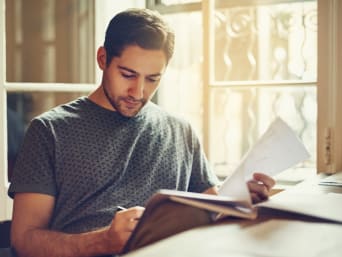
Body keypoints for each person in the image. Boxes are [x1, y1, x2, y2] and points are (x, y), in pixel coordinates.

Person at [8, 8, 275, 257]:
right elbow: (23, 238)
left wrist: (242, 199)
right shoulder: (50, 131)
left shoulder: (181, 131)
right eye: (127, 75)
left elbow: (214, 211)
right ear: (103, 59)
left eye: (152, 79)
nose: (138, 93)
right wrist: (103, 240)